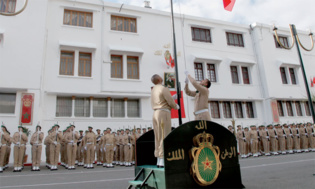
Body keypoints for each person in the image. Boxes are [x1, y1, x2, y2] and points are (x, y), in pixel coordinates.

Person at [151, 74, 178, 168]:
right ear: (159, 79)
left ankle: (159, 158)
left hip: (155, 113)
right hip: (163, 113)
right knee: (164, 135)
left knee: (158, 136)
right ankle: (162, 159)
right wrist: (175, 106)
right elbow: (169, 101)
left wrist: (173, 97)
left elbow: (164, 99)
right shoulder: (163, 88)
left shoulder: (154, 89)